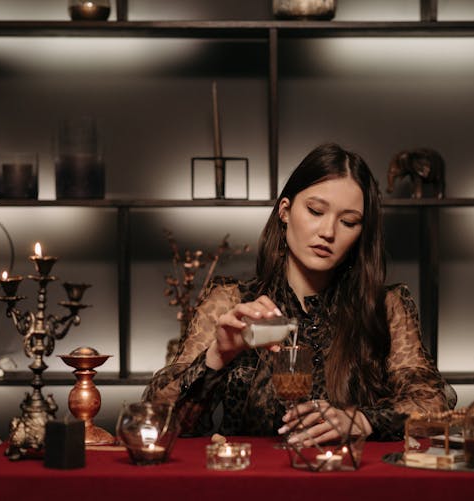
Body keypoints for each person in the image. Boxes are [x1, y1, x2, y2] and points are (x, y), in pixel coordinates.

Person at [143, 143, 455, 443]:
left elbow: (432, 405)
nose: (328, 232)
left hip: (350, 482)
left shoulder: (384, 307)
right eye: (316, 211)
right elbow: (158, 421)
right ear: (285, 211)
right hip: (251, 485)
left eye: (348, 221)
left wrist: (362, 421)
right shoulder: (234, 302)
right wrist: (217, 356)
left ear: (361, 234)